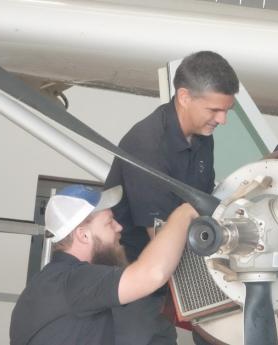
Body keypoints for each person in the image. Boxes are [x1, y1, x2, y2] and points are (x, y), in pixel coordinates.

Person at [104, 50, 239, 344]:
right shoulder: (147, 145)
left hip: (176, 264)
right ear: (184, 96)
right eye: (215, 110)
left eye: (227, 110)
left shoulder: (203, 137)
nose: (223, 120)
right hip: (133, 275)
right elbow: (162, 236)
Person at [9, 184, 197, 345]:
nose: (119, 227)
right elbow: (153, 273)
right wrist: (184, 213)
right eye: (109, 223)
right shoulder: (71, 281)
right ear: (83, 235)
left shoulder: (50, 285)